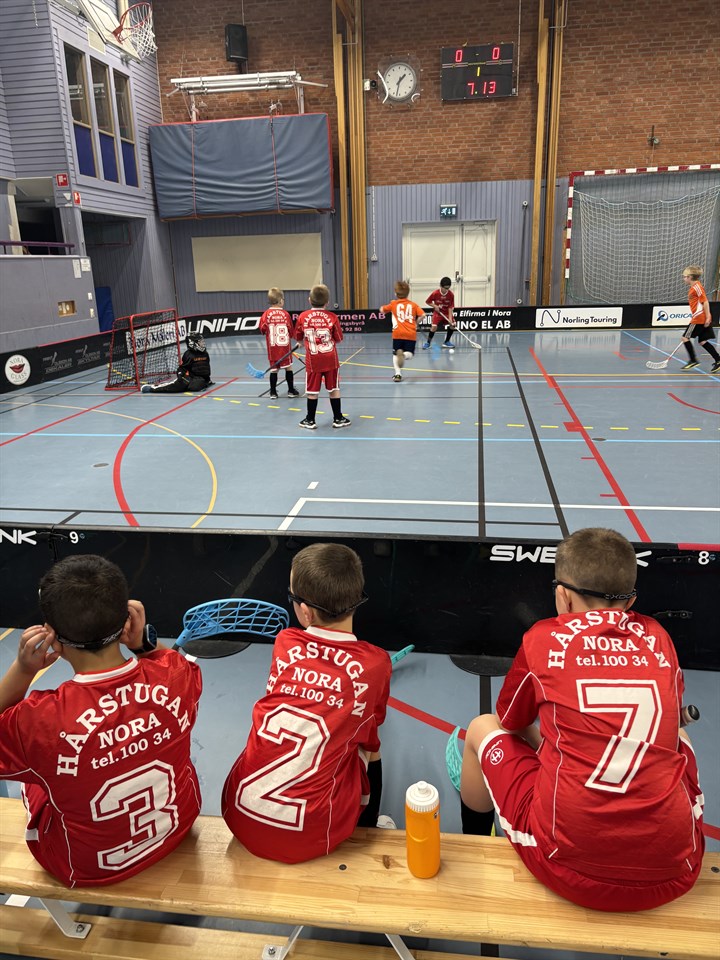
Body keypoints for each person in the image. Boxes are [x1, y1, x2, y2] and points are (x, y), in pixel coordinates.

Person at [459, 527, 704, 912]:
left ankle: (473, 845)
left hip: (566, 867)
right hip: (676, 869)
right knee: (680, 740)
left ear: (562, 595)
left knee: (481, 728)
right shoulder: (659, 637)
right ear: (631, 601)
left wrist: (548, 744)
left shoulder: (542, 638)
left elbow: (510, 720)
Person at [0, 555, 203, 888]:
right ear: (127, 620)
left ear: (51, 635)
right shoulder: (175, 675)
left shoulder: (38, 720)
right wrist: (143, 642)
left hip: (86, 868)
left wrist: (23, 670)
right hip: (177, 828)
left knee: (33, 776)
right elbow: (166, 660)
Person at [222, 542, 392, 863]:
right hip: (313, 835)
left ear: (305, 612)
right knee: (369, 742)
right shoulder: (376, 663)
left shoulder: (285, 641)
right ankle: (370, 825)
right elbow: (370, 731)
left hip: (238, 815)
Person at [294, 284, 350, 429]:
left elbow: (298, 336)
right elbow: (338, 338)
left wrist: (302, 342)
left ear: (309, 300)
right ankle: (338, 418)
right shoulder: (332, 317)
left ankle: (310, 420)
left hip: (313, 361)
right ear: (327, 302)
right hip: (331, 360)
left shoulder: (303, 317)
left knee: (312, 391)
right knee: (333, 389)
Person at [259, 287, 301, 399]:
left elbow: (262, 329)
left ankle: (273, 392)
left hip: (273, 349)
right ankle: (291, 390)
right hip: (285, 349)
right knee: (288, 368)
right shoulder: (285, 314)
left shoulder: (266, 314)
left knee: (274, 370)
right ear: (281, 301)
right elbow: (291, 331)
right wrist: (295, 339)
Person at [381, 280, 425, 382]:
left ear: (396, 293)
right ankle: (404, 355)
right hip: (410, 334)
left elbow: (382, 310)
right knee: (410, 354)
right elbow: (423, 315)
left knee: (395, 354)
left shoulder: (393, 304)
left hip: (397, 334)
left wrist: (385, 307)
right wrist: (416, 323)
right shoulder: (413, 305)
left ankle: (398, 374)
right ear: (408, 293)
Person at [141, 332, 212, 392]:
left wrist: (207, 379)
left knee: (196, 386)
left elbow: (206, 370)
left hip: (200, 380)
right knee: (179, 386)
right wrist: (182, 376)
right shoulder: (189, 355)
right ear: (192, 343)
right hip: (190, 378)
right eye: (200, 342)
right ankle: (152, 388)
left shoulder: (205, 354)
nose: (202, 344)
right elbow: (182, 368)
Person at [680, 265, 720, 372]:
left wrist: (708, 316)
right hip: (700, 317)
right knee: (702, 341)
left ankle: (693, 360)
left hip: (699, 319)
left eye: (685, 277)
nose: (684, 279)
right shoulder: (694, 287)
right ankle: (718, 360)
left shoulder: (697, 287)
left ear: (690, 277)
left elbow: (705, 301)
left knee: (685, 338)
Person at [423, 276, 456, 350]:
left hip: (447, 312)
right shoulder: (435, 293)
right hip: (438, 313)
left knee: (453, 325)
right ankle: (428, 343)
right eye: (445, 288)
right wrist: (435, 306)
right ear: (441, 286)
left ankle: (446, 342)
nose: (446, 290)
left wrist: (450, 319)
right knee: (434, 327)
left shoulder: (451, 295)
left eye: (448, 288)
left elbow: (450, 307)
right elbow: (428, 302)